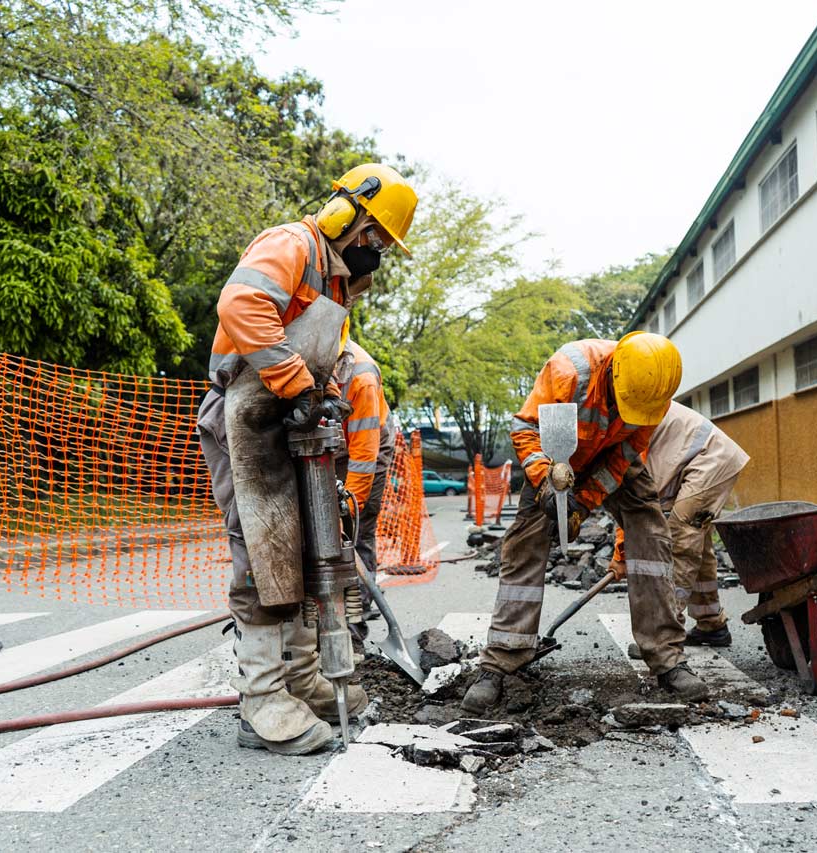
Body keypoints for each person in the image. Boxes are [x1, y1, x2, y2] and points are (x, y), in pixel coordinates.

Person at [195, 164, 417, 753]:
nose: (377, 253)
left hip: (285, 417)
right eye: (375, 237)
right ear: (349, 215)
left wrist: (320, 397)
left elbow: (319, 355)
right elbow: (242, 305)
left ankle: (298, 678)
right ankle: (263, 699)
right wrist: (298, 385)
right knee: (263, 551)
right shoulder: (291, 244)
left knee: (296, 552)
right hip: (246, 414)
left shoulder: (335, 280)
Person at [461, 333, 710, 715]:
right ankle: (501, 659)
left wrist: (585, 503)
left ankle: (666, 657)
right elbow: (525, 430)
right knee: (524, 543)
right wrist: (545, 482)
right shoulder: (569, 372)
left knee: (651, 531)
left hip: (610, 456)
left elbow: (625, 454)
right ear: (613, 374)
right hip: (554, 459)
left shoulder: (650, 396)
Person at [612, 402, 749, 653]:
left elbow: (631, 501)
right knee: (699, 544)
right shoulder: (626, 410)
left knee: (680, 540)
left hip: (710, 460)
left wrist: (621, 553)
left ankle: (663, 633)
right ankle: (712, 624)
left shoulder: (624, 422)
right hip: (701, 462)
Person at [334, 325, 396, 616]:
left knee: (356, 528)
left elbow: (362, 459)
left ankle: (357, 614)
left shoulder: (361, 379)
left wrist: (346, 508)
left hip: (369, 445)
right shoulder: (302, 359)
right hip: (333, 445)